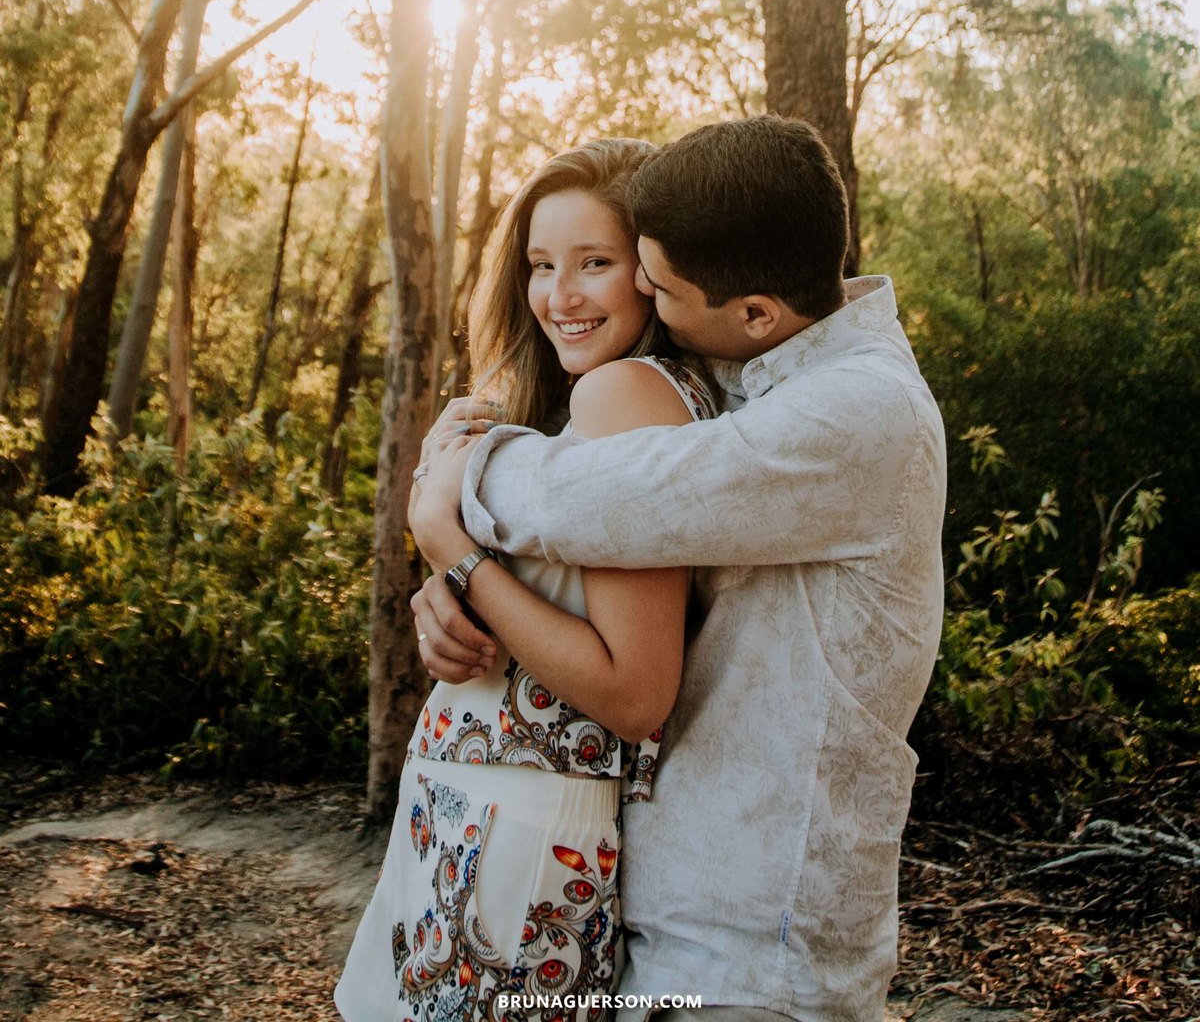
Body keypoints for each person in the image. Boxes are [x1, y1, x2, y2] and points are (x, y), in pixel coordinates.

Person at [413, 115, 947, 1022]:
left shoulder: (855, 415)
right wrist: (460, 588)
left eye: (651, 285)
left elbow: (612, 499)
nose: (642, 304)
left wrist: (448, 503)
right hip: (678, 901)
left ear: (752, 313)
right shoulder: (768, 366)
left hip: (762, 938)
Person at [335, 139, 721, 1022]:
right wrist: (446, 599)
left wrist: (451, 549)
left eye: (596, 263)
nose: (559, 296)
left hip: (525, 826)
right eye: (542, 265)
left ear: (652, 274)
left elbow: (635, 693)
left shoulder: (627, 395)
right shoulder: (580, 402)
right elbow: (539, 611)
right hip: (470, 804)